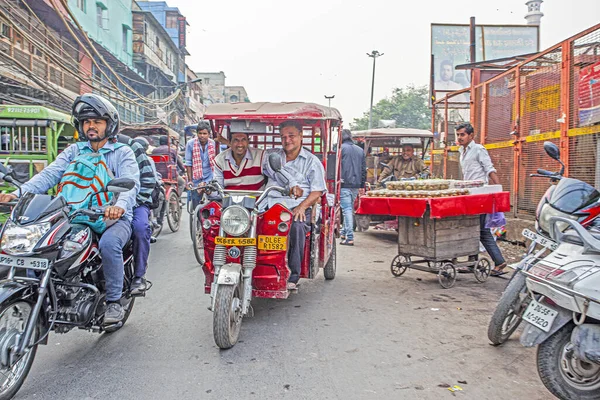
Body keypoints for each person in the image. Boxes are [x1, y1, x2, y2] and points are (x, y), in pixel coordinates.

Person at [0, 94, 140, 324]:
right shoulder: (74, 151)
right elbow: (47, 176)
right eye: (86, 122)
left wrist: (119, 207)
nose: (91, 126)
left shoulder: (122, 152)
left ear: (109, 125)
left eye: (97, 121)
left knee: (109, 244)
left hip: (110, 218)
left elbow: (128, 183)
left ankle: (114, 302)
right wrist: (17, 194)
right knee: (41, 245)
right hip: (72, 214)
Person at [263, 121, 327, 290]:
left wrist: (302, 207)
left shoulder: (311, 161)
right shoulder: (273, 156)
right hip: (272, 202)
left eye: (291, 136)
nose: (287, 140)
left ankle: (293, 274)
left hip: (301, 205)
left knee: (296, 227)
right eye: (283, 136)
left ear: (300, 136)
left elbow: (317, 191)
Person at [456, 122, 507, 277]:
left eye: (462, 134)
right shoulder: (461, 151)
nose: (459, 138)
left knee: (481, 230)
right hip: (469, 195)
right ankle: (472, 262)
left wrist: (498, 189)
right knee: (473, 229)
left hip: (480, 195)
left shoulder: (478, 149)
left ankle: (499, 262)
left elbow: (489, 169)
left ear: (471, 135)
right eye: (458, 135)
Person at [117, 135, 156, 295]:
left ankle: (139, 276)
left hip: (136, 202)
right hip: (100, 203)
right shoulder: (85, 147)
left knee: (140, 228)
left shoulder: (131, 145)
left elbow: (148, 179)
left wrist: (132, 201)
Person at [339, 129, 366, 246]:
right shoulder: (360, 150)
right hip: (356, 184)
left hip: (344, 184)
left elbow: (337, 168)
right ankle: (344, 233)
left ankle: (349, 237)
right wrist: (362, 184)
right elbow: (363, 169)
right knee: (349, 209)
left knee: (347, 210)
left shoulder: (341, 149)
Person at [185, 120, 216, 209]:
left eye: (205, 133)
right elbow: (188, 163)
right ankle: (197, 219)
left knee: (214, 200)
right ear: (197, 133)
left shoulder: (213, 144)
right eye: (200, 133)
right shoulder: (190, 144)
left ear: (209, 134)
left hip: (210, 176)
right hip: (196, 178)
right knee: (196, 202)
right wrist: (190, 180)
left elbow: (217, 162)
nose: (202, 136)